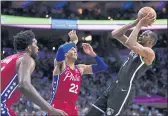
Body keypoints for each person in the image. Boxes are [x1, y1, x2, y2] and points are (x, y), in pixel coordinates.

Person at [85, 13, 157, 116]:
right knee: (91, 113)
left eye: (145, 34)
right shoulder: (136, 48)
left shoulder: (150, 53)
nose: (141, 35)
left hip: (125, 89)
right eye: (142, 33)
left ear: (151, 41)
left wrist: (140, 24)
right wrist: (134, 23)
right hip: (114, 85)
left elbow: (130, 43)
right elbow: (115, 34)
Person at [1, 30, 67, 116]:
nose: (37, 47)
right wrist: (51, 109)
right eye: (35, 44)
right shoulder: (26, 58)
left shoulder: (6, 60)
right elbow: (24, 84)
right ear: (29, 47)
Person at [47, 30, 108, 116]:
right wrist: (74, 42)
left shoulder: (80, 68)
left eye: (75, 49)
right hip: (57, 105)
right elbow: (61, 49)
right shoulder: (60, 65)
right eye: (72, 49)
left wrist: (93, 54)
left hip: (72, 107)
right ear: (65, 54)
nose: (75, 50)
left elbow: (103, 67)